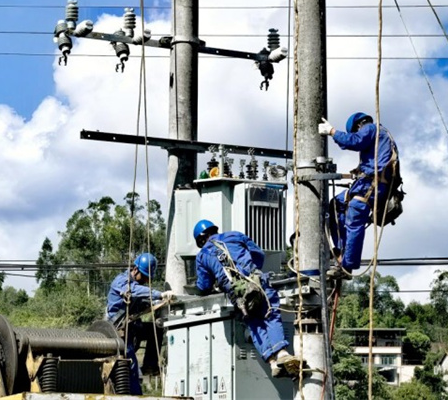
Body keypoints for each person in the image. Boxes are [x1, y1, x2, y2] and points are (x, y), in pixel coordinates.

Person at [193, 219, 304, 379]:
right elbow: (258, 253)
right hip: (255, 283)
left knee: (255, 324)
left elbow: (203, 286)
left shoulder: (202, 255)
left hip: (236, 294)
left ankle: (273, 363)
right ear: (214, 230)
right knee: (270, 314)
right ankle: (281, 353)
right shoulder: (234, 235)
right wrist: (253, 268)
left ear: (201, 240)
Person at [319, 112, 400, 279]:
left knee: (355, 216)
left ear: (358, 126)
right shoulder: (383, 136)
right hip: (367, 184)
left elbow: (354, 141)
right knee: (336, 204)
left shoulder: (371, 129)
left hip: (371, 185)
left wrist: (332, 131)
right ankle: (342, 251)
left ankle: (347, 266)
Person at [106, 252, 174, 394]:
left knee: (155, 329)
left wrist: (158, 302)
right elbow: (134, 291)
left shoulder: (137, 285)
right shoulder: (122, 282)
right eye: (143, 277)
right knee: (131, 368)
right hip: (118, 331)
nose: (144, 281)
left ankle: (150, 365)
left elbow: (142, 300)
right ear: (135, 270)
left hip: (133, 327)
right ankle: (135, 395)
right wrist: (159, 294)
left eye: (147, 279)